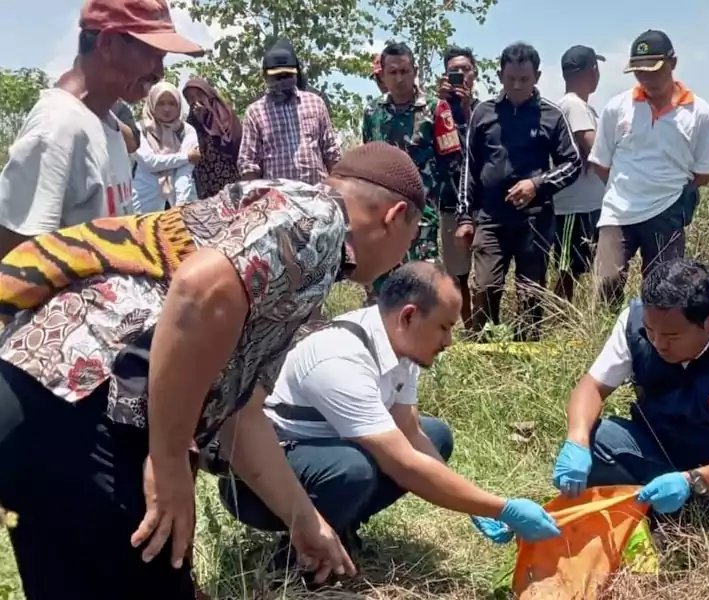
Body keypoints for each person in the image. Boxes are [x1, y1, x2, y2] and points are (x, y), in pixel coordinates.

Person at [0, 142, 426, 599]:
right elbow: (201, 286)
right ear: (394, 215)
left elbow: (240, 415)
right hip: (80, 401)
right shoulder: (319, 221)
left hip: (31, 395)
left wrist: (305, 519)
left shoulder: (292, 240)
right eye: (412, 238)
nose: (402, 259)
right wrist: (167, 461)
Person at [219, 261, 560, 570]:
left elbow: (409, 431)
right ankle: (296, 561)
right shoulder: (341, 356)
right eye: (443, 327)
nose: (449, 341)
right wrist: (500, 507)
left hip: (326, 457)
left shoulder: (401, 347)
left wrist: (470, 501)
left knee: (435, 436)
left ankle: (338, 527)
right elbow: (403, 464)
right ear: (409, 316)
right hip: (259, 484)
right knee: (355, 469)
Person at [551, 258, 709, 539]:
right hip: (657, 458)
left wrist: (692, 482)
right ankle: (649, 520)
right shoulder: (636, 324)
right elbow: (591, 387)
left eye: (671, 335)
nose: (657, 343)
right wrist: (576, 441)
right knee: (595, 441)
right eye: (650, 331)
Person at [0, 0, 203, 259]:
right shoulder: (57, 128)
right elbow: (14, 265)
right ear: (107, 44)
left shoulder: (107, 124)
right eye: (153, 55)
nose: (159, 72)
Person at [456, 42, 581, 342]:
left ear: (536, 76)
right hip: (490, 219)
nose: (516, 85)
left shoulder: (551, 115)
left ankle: (526, 359)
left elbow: (573, 163)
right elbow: (469, 168)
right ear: (500, 75)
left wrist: (536, 185)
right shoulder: (483, 113)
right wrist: (464, 217)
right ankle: (486, 357)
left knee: (530, 293)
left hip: (534, 222)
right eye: (510, 78)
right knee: (484, 288)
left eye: (524, 79)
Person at [589, 30, 709, 307]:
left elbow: (705, 172)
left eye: (653, 71)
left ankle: (654, 344)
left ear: (673, 62)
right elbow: (601, 164)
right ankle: (606, 339)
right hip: (618, 212)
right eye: (639, 73)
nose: (646, 79)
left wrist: (667, 190)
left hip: (666, 211)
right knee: (606, 284)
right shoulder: (617, 108)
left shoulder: (699, 113)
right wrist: (625, 188)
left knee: (664, 292)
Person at [361, 42, 463, 298]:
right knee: (382, 287)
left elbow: (452, 162)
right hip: (382, 216)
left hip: (421, 215)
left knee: (421, 286)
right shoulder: (372, 112)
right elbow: (368, 159)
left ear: (415, 71)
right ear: (382, 75)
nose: (399, 78)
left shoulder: (436, 109)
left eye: (405, 71)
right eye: (392, 72)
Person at [239, 38, 341, 183]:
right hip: (278, 199)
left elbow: (331, 153)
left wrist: (338, 190)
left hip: (316, 195)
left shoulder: (315, 104)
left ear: (295, 74)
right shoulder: (255, 112)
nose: (282, 81)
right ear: (265, 77)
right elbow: (248, 164)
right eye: (277, 77)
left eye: (287, 76)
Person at [552, 45, 606, 303]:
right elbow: (595, 148)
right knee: (567, 270)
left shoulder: (574, 105)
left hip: (583, 204)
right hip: (574, 207)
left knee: (574, 269)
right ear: (591, 70)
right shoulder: (574, 106)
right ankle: (559, 323)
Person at [436, 45, 478, 329]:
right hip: (450, 200)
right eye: (454, 70)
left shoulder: (485, 110)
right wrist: (442, 107)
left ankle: (485, 328)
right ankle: (469, 332)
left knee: (487, 275)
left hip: (483, 202)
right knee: (457, 274)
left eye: (465, 69)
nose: (460, 75)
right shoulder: (434, 109)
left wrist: (465, 110)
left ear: (474, 73)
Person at [132, 81, 199, 212]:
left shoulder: (186, 130)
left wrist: (180, 206)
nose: (167, 109)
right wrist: (186, 156)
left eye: (172, 103)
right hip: (145, 201)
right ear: (152, 104)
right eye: (161, 103)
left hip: (181, 200)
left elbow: (184, 172)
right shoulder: (140, 129)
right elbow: (150, 163)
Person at [182, 78, 242, 198]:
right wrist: (199, 122)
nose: (195, 101)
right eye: (190, 98)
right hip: (206, 186)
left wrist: (207, 121)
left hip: (232, 181)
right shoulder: (190, 123)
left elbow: (233, 144)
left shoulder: (226, 115)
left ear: (208, 94)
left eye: (199, 95)